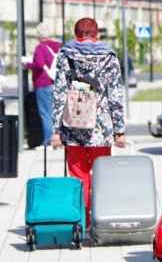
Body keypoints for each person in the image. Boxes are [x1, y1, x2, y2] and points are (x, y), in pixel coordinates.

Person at [50, 17, 126, 228]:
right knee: (101, 175)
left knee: (78, 176)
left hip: (73, 125)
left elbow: (58, 94)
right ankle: (99, 219)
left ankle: (80, 221)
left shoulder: (65, 55)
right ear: (98, 35)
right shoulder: (109, 57)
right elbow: (116, 95)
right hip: (101, 129)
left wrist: (55, 131)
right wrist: (119, 130)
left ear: (75, 36)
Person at [22, 22, 60, 147]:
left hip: (43, 83)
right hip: (56, 82)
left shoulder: (40, 48)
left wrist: (28, 64)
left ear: (38, 36)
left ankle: (48, 142)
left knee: (46, 114)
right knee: (56, 113)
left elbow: (38, 64)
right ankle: (59, 140)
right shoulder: (57, 46)